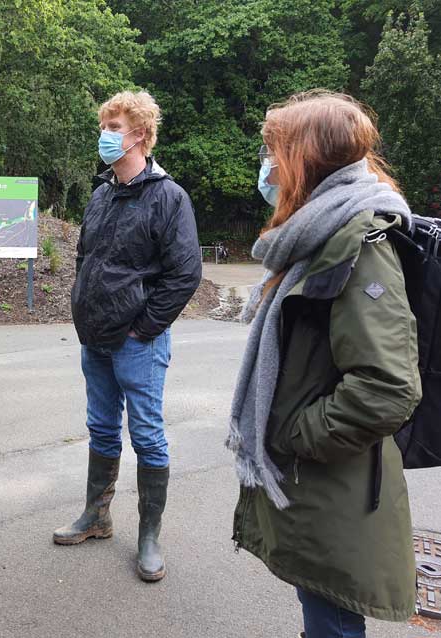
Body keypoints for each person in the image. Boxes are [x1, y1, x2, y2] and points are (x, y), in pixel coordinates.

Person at [227, 91, 421, 637]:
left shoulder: (358, 242)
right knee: (324, 616)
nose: (265, 167)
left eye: (272, 152)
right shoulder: (321, 233)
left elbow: (387, 386)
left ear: (304, 160)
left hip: (333, 483)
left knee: (333, 623)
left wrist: (295, 433)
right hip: (322, 485)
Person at [56, 90, 202, 582]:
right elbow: (85, 258)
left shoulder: (169, 197)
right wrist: (82, 308)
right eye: (105, 126)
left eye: (114, 127)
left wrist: (144, 328)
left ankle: (149, 537)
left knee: (147, 437)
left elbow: (185, 274)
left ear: (141, 134)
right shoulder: (101, 194)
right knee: (101, 428)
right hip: (94, 338)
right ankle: (97, 516)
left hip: (138, 342)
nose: (106, 135)